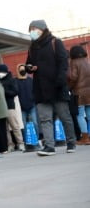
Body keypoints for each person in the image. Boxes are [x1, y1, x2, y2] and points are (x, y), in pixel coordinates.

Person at [25, 19, 77, 155]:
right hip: (40, 89)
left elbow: (63, 62)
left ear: (43, 29)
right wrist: (29, 68)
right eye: (30, 29)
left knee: (64, 116)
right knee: (45, 118)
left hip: (57, 87)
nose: (32, 32)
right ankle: (49, 146)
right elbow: (28, 64)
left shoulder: (55, 42)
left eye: (34, 29)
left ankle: (71, 142)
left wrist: (60, 81)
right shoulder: (32, 47)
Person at [0, 64, 25, 151]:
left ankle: (20, 143)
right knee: (5, 128)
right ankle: (10, 144)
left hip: (9, 106)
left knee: (15, 126)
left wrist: (4, 92)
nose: (0, 73)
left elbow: (15, 92)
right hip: (0, 106)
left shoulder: (11, 80)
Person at [68, 45, 90, 145]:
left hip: (79, 93)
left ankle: (85, 138)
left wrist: (69, 87)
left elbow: (73, 77)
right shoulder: (87, 61)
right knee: (89, 115)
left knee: (80, 115)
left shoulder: (74, 62)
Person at [15, 63, 38, 139]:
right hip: (21, 107)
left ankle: (37, 138)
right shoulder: (15, 81)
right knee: (23, 125)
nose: (22, 71)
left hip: (32, 105)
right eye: (21, 70)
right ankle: (27, 140)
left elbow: (34, 91)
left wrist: (33, 100)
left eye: (23, 69)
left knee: (35, 123)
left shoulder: (30, 80)